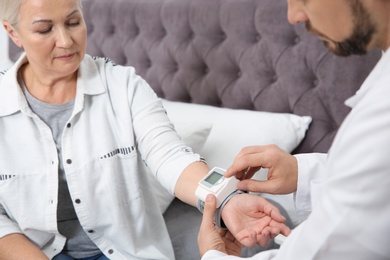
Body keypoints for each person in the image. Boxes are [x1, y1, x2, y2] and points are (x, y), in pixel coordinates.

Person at [0, 0, 291, 259]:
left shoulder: (124, 86)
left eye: (73, 22)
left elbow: (169, 156)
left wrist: (227, 200)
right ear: (13, 32)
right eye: (44, 29)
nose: (65, 41)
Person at [198, 0, 390, 259]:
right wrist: (300, 173)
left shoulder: (382, 115)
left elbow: (325, 248)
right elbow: (371, 186)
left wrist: (213, 255)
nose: (293, 16)